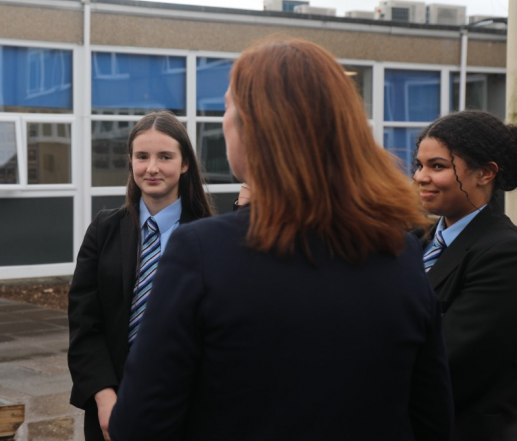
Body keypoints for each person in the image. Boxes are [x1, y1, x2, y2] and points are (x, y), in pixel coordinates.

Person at [108, 38, 454, 441]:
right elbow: (433, 420)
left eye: (227, 106)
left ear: (253, 128)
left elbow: (139, 426)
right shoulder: (403, 253)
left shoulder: (201, 252)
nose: (223, 121)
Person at [68, 110, 215, 441]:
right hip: (112, 403)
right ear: (130, 161)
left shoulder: (210, 236)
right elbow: (83, 324)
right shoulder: (104, 229)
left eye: (165, 156)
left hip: (187, 409)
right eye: (142, 156)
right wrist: (105, 398)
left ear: (186, 163)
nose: (152, 168)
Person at [412, 109, 517, 440]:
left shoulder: (504, 252)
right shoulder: (418, 242)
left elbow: (448, 356)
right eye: (419, 165)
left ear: (485, 173)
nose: (420, 176)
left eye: (437, 166)